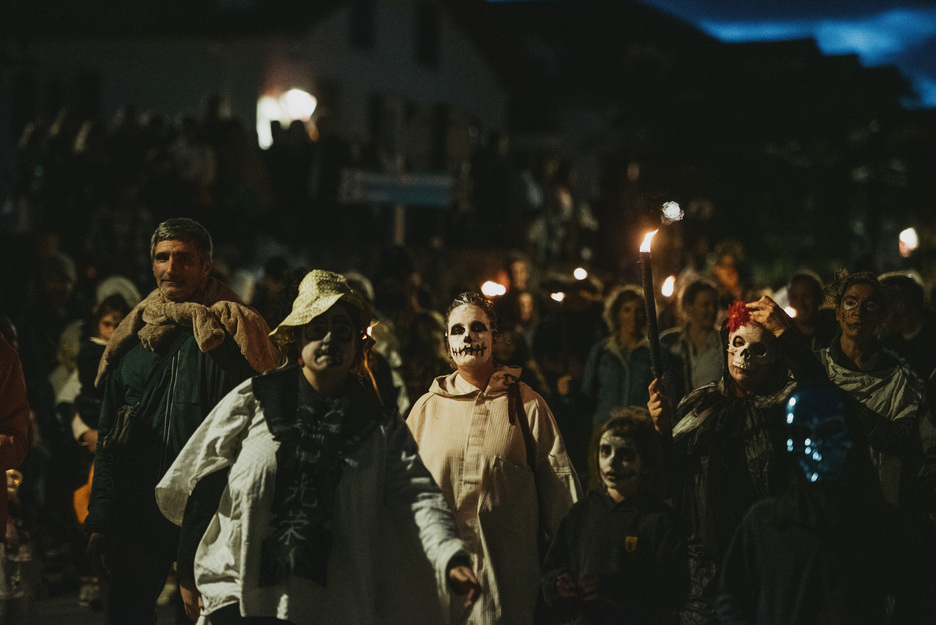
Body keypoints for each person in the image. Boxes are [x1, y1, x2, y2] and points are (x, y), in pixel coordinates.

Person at [155, 269, 481, 624]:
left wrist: (451, 556)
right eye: (317, 327)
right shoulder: (254, 400)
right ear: (297, 338)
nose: (329, 339)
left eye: (342, 331)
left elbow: (418, 496)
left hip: (332, 607)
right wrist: (187, 567)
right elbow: (202, 481)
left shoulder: (379, 425)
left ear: (358, 344)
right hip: (246, 602)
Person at [84, 218, 280, 624]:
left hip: (209, 510)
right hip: (138, 509)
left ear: (206, 266)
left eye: (184, 259)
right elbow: (108, 438)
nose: (171, 268)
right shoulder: (133, 340)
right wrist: (100, 517)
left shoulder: (229, 334)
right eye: (162, 257)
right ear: (151, 264)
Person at [647, 296, 825, 625]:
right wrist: (661, 432)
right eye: (738, 343)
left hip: (771, 564)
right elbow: (674, 483)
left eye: (759, 349)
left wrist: (785, 332)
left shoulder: (789, 406)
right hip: (704, 572)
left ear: (776, 357)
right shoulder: (699, 403)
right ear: (726, 345)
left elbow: (822, 395)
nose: (744, 356)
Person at [407, 291, 582, 625]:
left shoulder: (527, 406)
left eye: (477, 327)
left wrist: (570, 565)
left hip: (503, 594)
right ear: (447, 343)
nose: (468, 336)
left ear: (495, 338)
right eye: (457, 330)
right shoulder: (426, 409)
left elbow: (561, 493)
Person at [716, 382, 935, 624]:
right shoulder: (762, 524)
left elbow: (919, 600)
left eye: (828, 431)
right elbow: (731, 599)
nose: (814, 446)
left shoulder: (883, 527)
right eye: (801, 434)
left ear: (851, 436)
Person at [539, 408, 688, 624]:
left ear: (645, 464)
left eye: (625, 455)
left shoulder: (660, 521)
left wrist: (614, 589)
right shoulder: (581, 514)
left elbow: (673, 594)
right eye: (605, 451)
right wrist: (557, 584)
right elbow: (551, 571)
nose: (612, 462)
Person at [817, 270, 927, 513]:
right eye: (850, 302)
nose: (858, 312)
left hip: (878, 508)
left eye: (870, 305)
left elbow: (898, 440)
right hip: (825, 506)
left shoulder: (899, 380)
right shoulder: (815, 368)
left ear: (880, 317)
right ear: (838, 312)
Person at [581, 285, 653, 429]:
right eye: (627, 310)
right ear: (617, 314)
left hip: (641, 431)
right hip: (605, 429)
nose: (633, 316)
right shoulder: (601, 352)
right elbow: (587, 394)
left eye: (638, 310)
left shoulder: (655, 354)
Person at [659, 279, 723, 408]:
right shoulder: (668, 342)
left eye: (715, 304)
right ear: (689, 306)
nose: (712, 310)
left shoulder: (726, 343)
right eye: (705, 304)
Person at [785, 270, 837, 352]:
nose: (800, 303)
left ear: (819, 297)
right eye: (794, 297)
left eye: (806, 296)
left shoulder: (837, 330)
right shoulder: (784, 335)